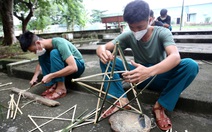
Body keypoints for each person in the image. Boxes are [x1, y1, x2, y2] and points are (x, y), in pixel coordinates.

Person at [96, 0, 198, 131]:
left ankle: (160, 106)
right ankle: (120, 100)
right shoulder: (128, 35)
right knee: (106, 60)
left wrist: (149, 71)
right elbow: (105, 46)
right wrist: (101, 50)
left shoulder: (162, 32)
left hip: (158, 75)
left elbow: (175, 56)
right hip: (137, 77)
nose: (135, 31)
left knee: (190, 65)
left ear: (150, 19)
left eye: (140, 27)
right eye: (132, 27)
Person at [19, 31, 85, 100]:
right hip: (67, 68)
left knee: (54, 53)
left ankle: (61, 88)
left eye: (34, 51)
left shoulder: (59, 43)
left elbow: (73, 67)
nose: (35, 53)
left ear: (38, 43)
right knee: (42, 56)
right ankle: (51, 85)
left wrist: (51, 75)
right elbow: (40, 64)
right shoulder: (43, 48)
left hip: (78, 67)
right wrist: (35, 77)